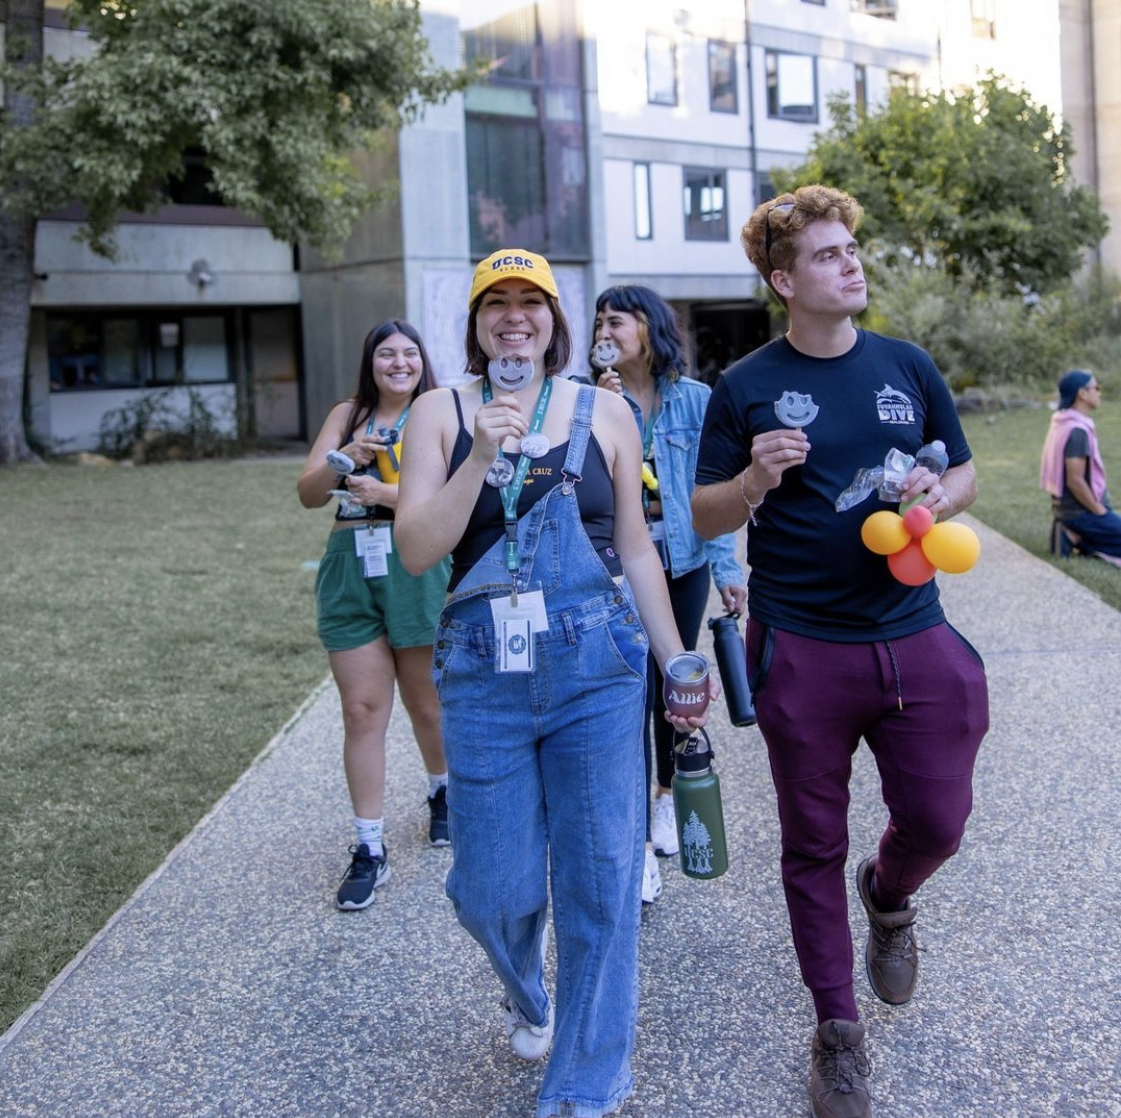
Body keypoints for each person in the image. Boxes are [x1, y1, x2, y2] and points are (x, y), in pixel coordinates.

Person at [692, 186, 990, 1118]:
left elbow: (964, 463)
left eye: (850, 250)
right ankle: (836, 1030)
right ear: (783, 280)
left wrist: (939, 500)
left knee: (939, 822)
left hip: (914, 634)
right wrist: (751, 477)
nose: (849, 263)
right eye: (825, 255)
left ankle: (889, 893)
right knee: (810, 844)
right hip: (802, 645)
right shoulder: (743, 386)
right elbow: (699, 512)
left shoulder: (905, 363)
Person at [394, 249, 713, 1118]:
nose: (513, 317)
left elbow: (639, 549)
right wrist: (477, 459)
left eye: (529, 302)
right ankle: (526, 989)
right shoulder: (437, 412)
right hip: (481, 672)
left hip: (596, 667)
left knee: (603, 877)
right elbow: (418, 550)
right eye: (494, 302)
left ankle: (584, 1086)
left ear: (553, 320)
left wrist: (677, 657)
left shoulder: (606, 412)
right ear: (474, 324)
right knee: (491, 889)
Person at [590, 285, 745, 903]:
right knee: (626, 691)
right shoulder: (587, 399)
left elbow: (717, 490)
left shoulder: (698, 401)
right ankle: (634, 840)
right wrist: (601, 416)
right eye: (599, 321)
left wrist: (729, 567)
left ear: (650, 330)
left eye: (617, 320)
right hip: (614, 569)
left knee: (673, 689)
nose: (606, 329)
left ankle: (664, 802)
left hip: (683, 561)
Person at [297, 320, 452, 911]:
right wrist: (343, 460)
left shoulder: (437, 412)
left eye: (409, 353)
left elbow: (445, 498)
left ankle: (443, 793)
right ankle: (369, 847)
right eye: (387, 354)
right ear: (371, 362)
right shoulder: (347, 413)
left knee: (428, 704)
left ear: (421, 363)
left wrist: (383, 494)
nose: (398, 363)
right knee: (362, 711)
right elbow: (310, 493)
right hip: (349, 566)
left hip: (414, 564)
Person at [1039, 368, 1121, 566]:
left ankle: (1072, 534)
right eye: (1096, 387)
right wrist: (1099, 510)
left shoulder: (1062, 421)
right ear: (1082, 393)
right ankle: (1072, 534)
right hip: (1080, 512)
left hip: (1066, 509)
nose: (1099, 392)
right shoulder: (1077, 430)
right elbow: (1075, 481)